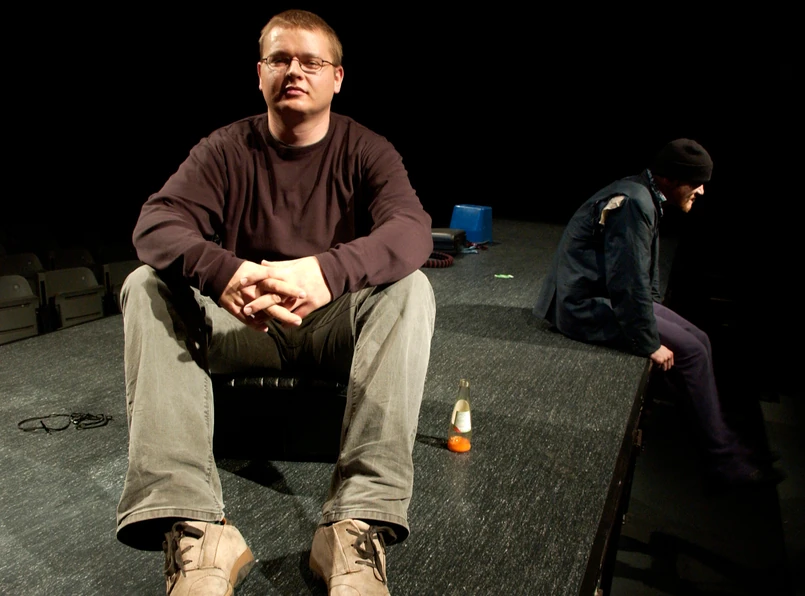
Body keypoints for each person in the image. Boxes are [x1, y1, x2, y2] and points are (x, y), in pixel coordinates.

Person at [116, 9, 435, 595]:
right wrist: (223, 272)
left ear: (337, 77)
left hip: (331, 322)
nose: (295, 71)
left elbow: (411, 230)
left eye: (311, 61)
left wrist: (327, 272)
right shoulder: (224, 148)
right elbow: (156, 222)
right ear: (259, 73)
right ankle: (196, 531)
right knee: (145, 285)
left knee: (412, 288)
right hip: (246, 322)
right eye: (280, 59)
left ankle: (356, 525)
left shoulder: (367, 149)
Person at [533, 138, 784, 490]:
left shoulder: (643, 193)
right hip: (583, 307)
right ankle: (722, 460)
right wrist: (647, 341)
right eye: (696, 182)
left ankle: (725, 443)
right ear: (671, 177)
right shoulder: (635, 202)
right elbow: (626, 280)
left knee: (700, 340)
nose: (701, 190)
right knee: (692, 351)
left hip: (606, 297)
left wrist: (653, 305)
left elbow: (639, 271)